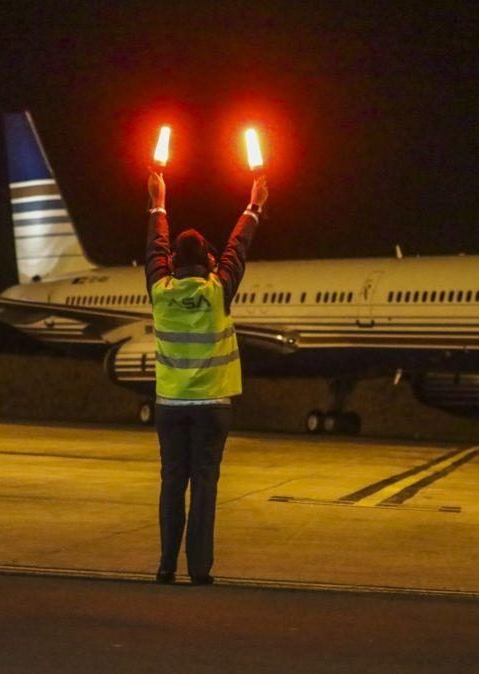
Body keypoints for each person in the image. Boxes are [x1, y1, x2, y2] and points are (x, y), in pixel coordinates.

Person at [145, 169, 268, 585]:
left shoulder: (160, 292)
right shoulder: (219, 291)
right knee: (205, 486)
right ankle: (199, 570)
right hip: (213, 407)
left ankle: (165, 565)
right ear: (210, 261)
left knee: (171, 483)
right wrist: (254, 206)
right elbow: (239, 248)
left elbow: (154, 247)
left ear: (172, 263)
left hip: (169, 407)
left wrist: (158, 203)